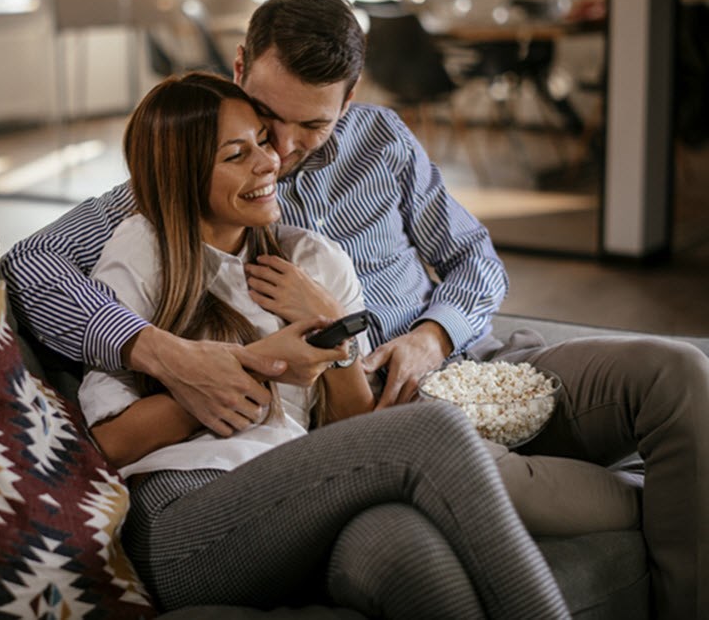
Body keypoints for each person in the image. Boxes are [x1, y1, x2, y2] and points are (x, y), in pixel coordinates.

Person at [3, 0, 709, 618]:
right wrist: (169, 354)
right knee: (417, 510)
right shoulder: (174, 194)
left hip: (457, 371)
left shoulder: (382, 148)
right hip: (357, 432)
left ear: (351, 96)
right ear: (242, 69)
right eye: (265, 122)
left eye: (310, 126)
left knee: (679, 373)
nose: (278, 151)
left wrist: (433, 334)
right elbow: (29, 263)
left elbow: (476, 261)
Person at [76, 70, 568, 617]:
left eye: (262, 142)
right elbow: (113, 443)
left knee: (402, 546)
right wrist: (256, 366)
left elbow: (349, 426)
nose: (269, 163)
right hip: (181, 516)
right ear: (184, 176)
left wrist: (335, 333)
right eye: (236, 155)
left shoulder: (314, 260)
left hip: (294, 493)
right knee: (436, 428)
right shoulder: (143, 252)